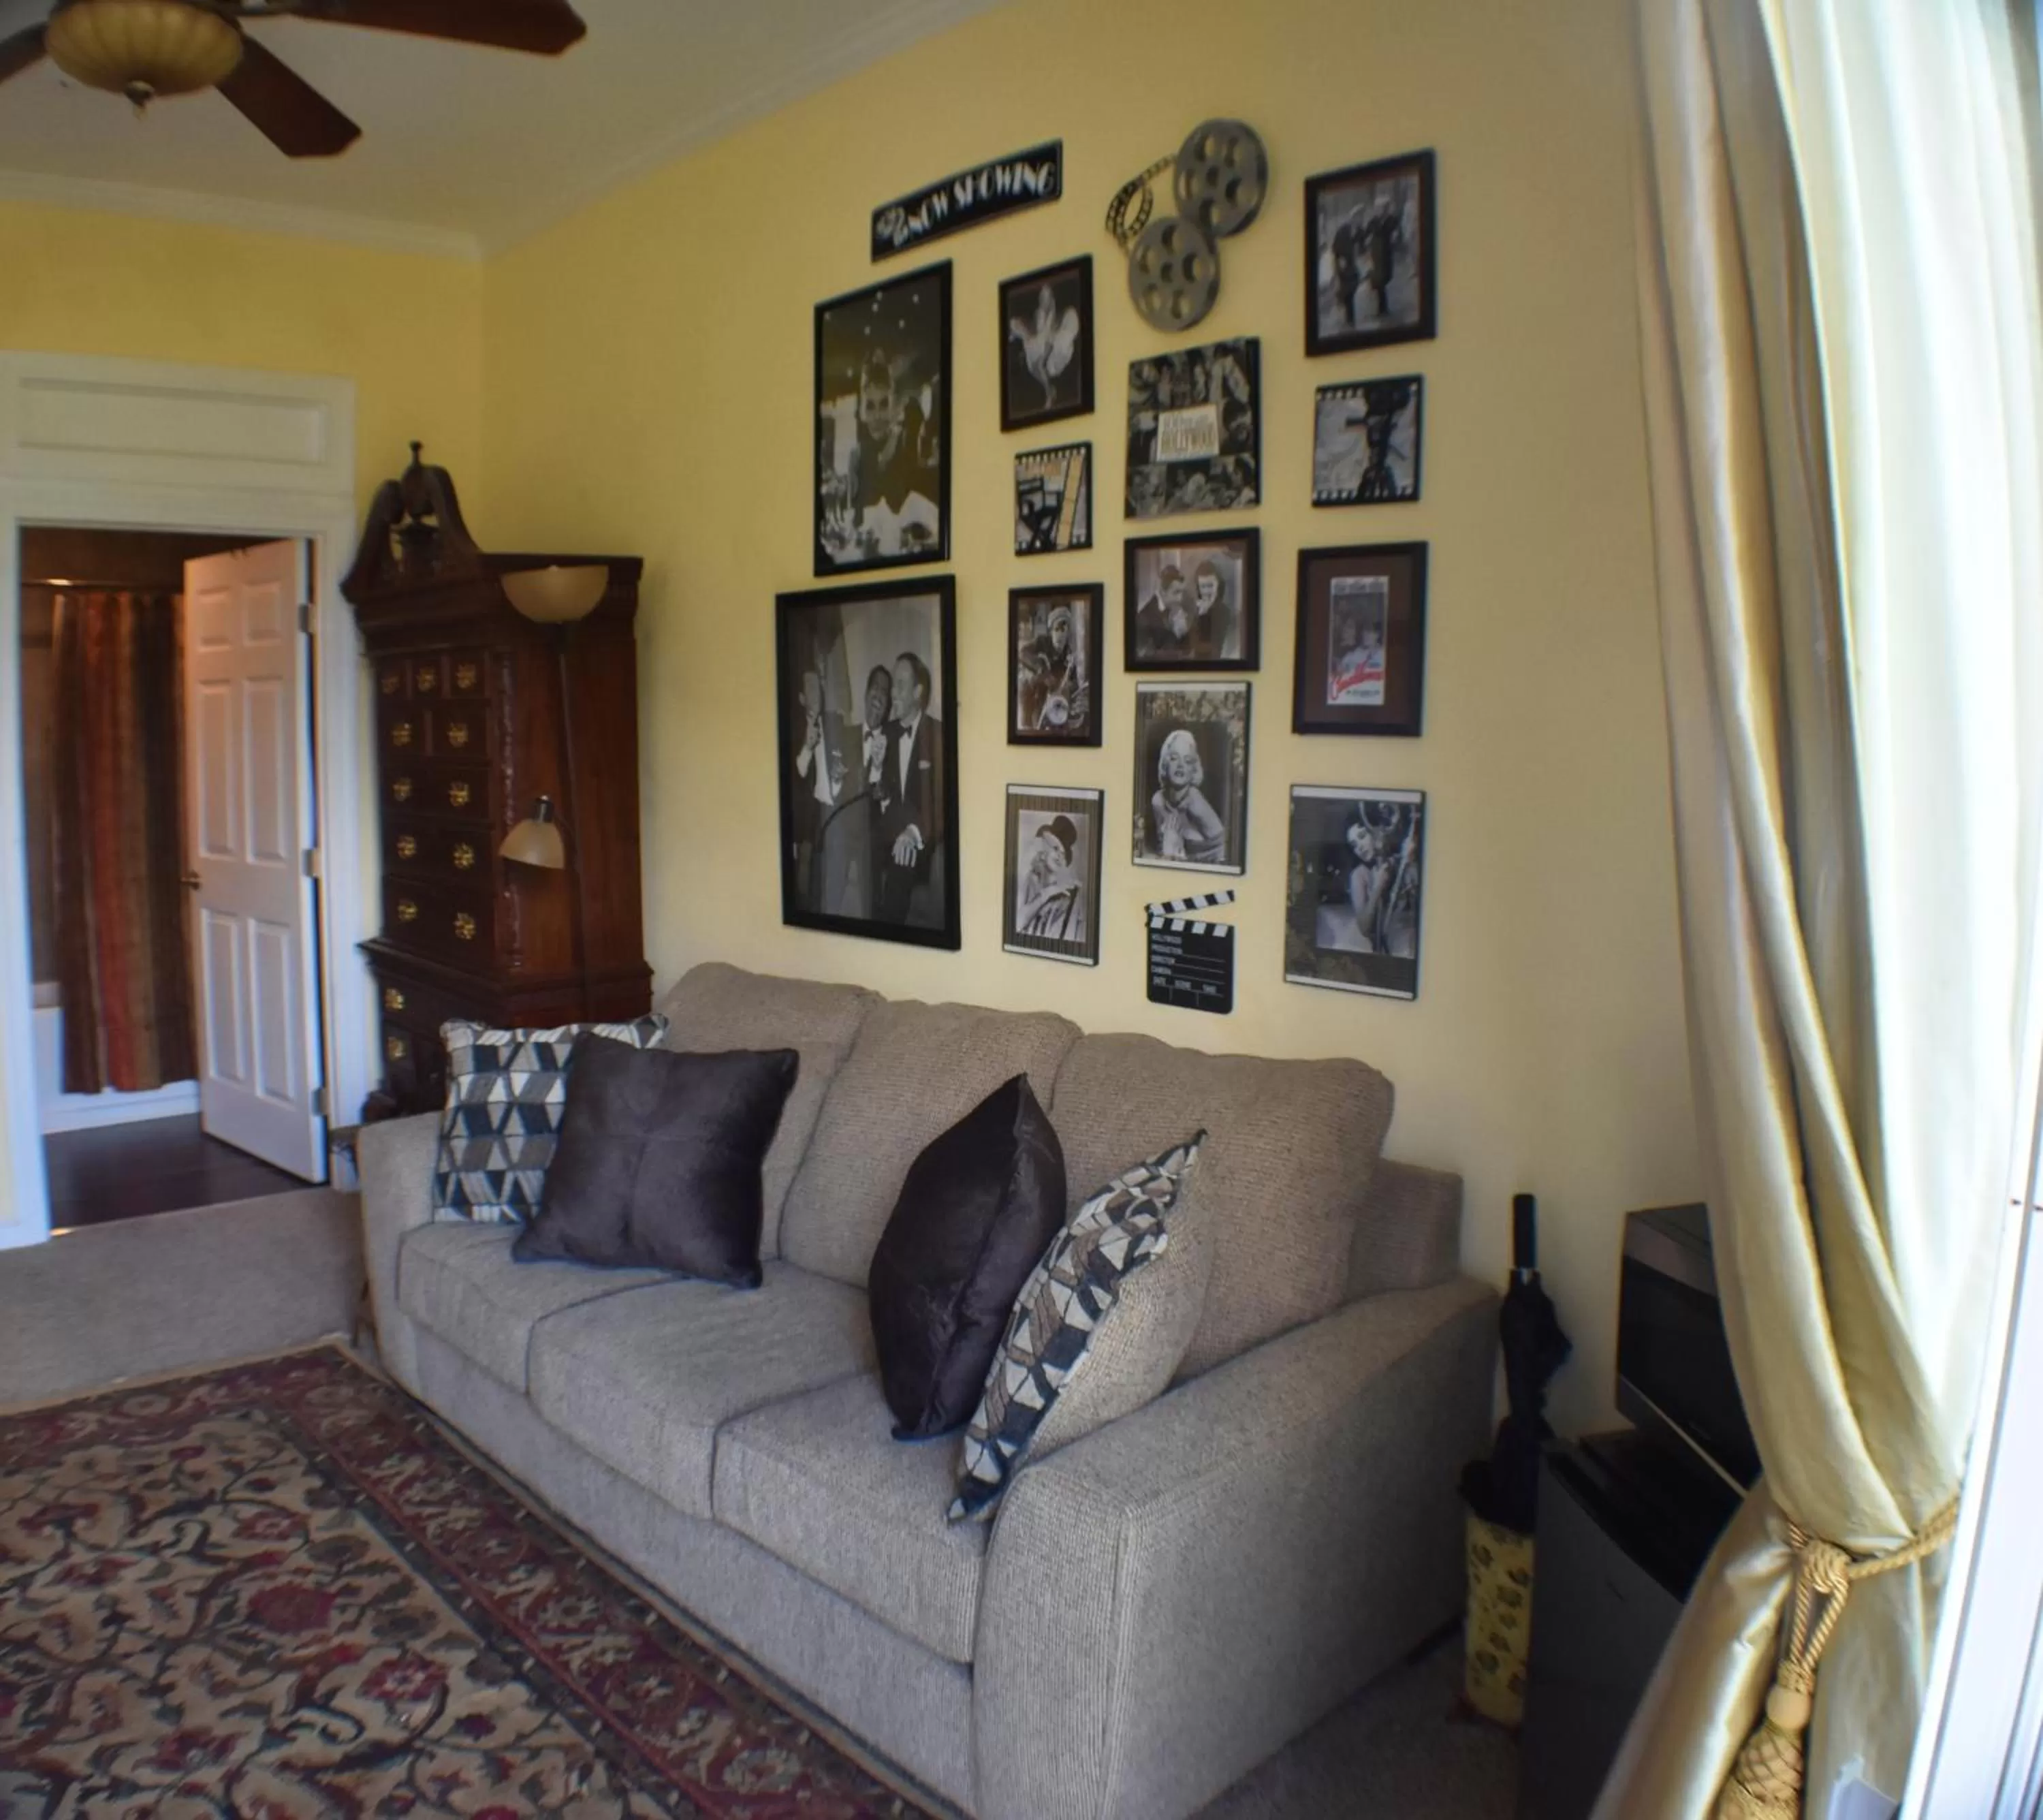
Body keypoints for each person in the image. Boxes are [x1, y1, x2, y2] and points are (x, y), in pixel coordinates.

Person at [877, 651, 945, 924]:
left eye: (901, 685)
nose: (893, 692)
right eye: (893, 684)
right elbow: (876, 795)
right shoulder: (886, 733)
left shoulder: (938, 735)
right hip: (887, 834)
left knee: (901, 861)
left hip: (921, 839)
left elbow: (942, 803)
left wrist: (913, 833)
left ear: (918, 692)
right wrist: (876, 767)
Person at [1148, 728, 1226, 866]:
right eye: (1174, 758)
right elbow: (1165, 849)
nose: (1180, 765)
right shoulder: (1158, 801)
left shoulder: (1195, 802)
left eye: (1188, 761)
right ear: (1165, 764)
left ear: (1193, 770)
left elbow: (1224, 848)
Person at [1017, 813, 1084, 942]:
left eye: (1063, 854)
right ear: (1043, 852)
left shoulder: (1066, 899)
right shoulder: (1027, 880)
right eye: (1056, 848)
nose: (1059, 856)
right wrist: (1048, 893)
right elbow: (1015, 924)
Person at [1135, 566, 1193, 661]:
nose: (1180, 599)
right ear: (1163, 592)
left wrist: (1183, 633)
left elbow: (1188, 652)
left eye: (1181, 593)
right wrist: (1175, 634)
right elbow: (1146, 658)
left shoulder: (1177, 610)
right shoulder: (1144, 617)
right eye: (1176, 593)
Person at [1190, 560, 1235, 660]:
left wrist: (1203, 618)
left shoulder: (1225, 613)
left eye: (1210, 586)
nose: (1207, 592)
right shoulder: (1194, 611)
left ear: (1218, 585)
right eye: (1203, 587)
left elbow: (1216, 649)